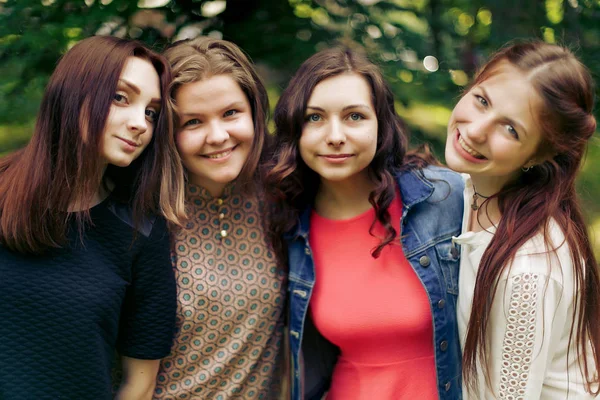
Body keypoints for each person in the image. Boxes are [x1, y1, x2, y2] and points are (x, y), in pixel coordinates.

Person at [266, 47, 464, 400]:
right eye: (314, 118)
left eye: (354, 116)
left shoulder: (444, 198)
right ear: (295, 129)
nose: (335, 135)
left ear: (381, 123)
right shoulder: (291, 227)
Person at [0, 35, 186, 399]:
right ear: (72, 93)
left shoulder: (140, 230)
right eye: (121, 97)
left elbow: (140, 381)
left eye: (150, 112)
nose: (140, 124)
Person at [445, 41, 600, 399]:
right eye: (482, 100)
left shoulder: (528, 271)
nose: (477, 129)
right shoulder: (472, 192)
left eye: (511, 129)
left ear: (540, 154)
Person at [153, 37, 286, 399]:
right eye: (193, 122)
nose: (218, 136)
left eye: (231, 113)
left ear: (255, 112)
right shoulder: (143, 216)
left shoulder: (282, 195)